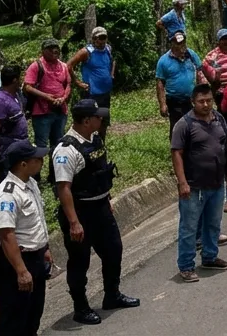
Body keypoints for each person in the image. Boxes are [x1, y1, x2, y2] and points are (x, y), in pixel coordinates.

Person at [50, 99, 138, 323]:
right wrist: (74, 222)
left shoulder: (94, 138)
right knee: (80, 262)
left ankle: (112, 295)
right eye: (98, 116)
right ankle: (81, 308)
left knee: (113, 250)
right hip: (80, 212)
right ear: (86, 120)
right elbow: (64, 189)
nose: (102, 119)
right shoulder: (66, 150)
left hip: (100, 207)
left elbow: (99, 173)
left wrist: (106, 198)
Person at [170, 84, 227, 282]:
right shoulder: (184, 124)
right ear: (193, 102)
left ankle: (210, 257)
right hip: (194, 186)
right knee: (189, 228)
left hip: (216, 184)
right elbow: (177, 154)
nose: (206, 104)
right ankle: (186, 266)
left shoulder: (219, 119)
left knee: (213, 225)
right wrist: (182, 182)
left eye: (208, 100)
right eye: (201, 101)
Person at [0, 140, 52, 336]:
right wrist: (21, 271)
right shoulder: (6, 195)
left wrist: (45, 249)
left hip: (35, 259)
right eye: (37, 158)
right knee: (13, 321)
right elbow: (7, 235)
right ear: (23, 164)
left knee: (33, 315)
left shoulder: (30, 183)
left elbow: (37, 221)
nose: (42, 161)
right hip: (17, 263)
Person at [156, 32, 215, 130]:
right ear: (172, 44)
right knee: (177, 127)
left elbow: (200, 72)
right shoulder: (164, 61)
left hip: (191, 100)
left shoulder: (191, 55)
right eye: (179, 43)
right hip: (174, 100)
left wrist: (204, 92)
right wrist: (162, 104)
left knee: (195, 126)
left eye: (183, 43)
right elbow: (160, 83)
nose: (182, 46)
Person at [23, 38, 70, 149]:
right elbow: (28, 87)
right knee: (41, 145)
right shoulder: (36, 66)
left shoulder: (64, 66)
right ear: (43, 51)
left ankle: (55, 166)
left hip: (60, 110)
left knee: (58, 144)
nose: (54, 50)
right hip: (42, 112)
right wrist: (46, 97)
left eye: (56, 48)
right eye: (50, 48)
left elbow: (68, 84)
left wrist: (63, 98)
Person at [66, 27, 115, 113]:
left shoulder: (108, 49)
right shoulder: (86, 52)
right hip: (91, 93)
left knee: (103, 118)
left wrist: (111, 75)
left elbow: (113, 61)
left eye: (104, 38)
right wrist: (77, 82)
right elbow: (68, 65)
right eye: (100, 38)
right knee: (91, 119)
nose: (102, 41)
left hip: (106, 91)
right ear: (94, 39)